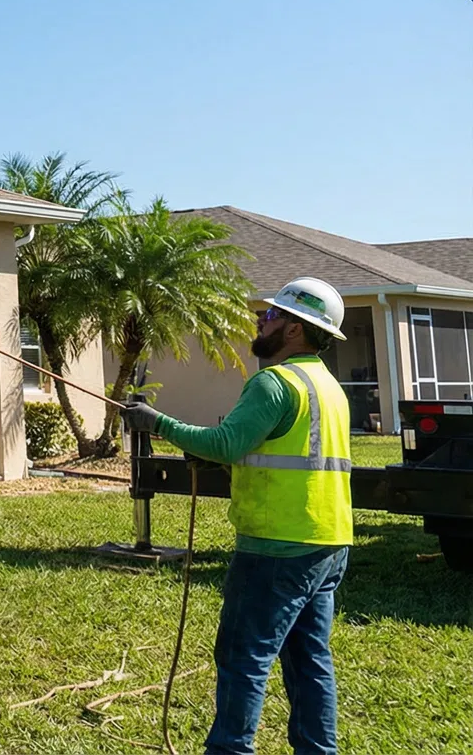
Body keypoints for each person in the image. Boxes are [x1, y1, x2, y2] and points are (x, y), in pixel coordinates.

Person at [121, 277, 353, 755]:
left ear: (294, 330)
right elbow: (258, 447)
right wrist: (213, 452)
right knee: (310, 661)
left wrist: (157, 422)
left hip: (276, 547)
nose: (260, 319)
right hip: (328, 543)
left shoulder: (274, 382)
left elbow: (227, 442)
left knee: (243, 657)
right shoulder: (329, 387)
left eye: (271, 315)